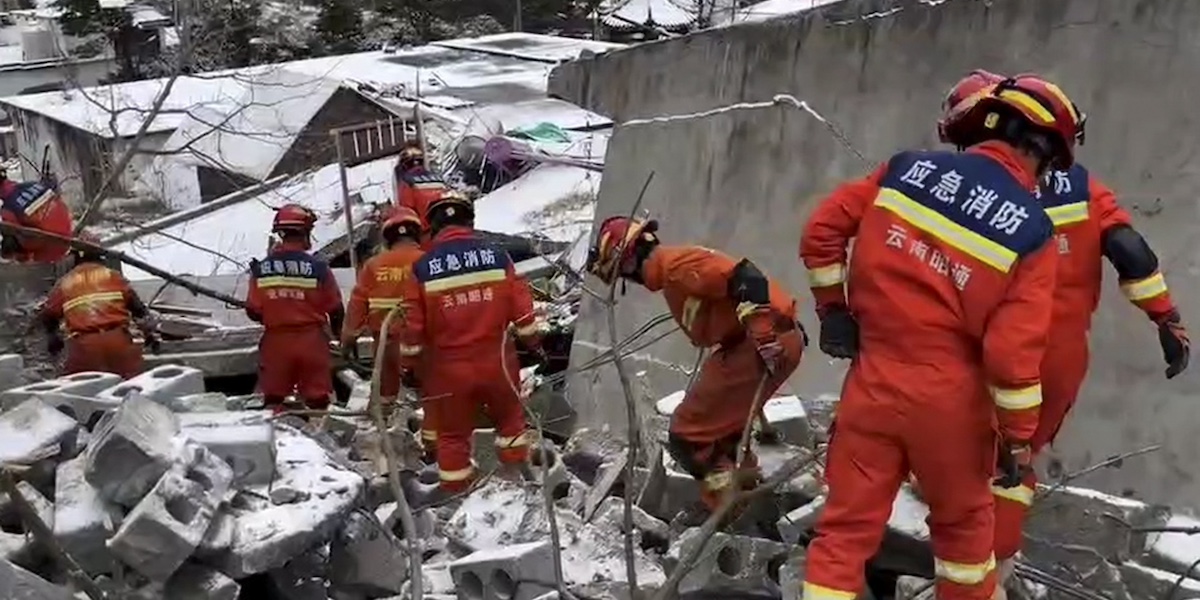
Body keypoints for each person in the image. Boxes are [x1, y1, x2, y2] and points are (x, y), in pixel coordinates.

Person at [798, 74, 1082, 600]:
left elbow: (822, 231)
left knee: (842, 535)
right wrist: (1016, 440)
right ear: (1041, 152)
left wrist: (834, 311)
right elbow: (1010, 356)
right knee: (965, 547)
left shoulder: (905, 170)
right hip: (953, 410)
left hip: (872, 387)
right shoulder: (1033, 231)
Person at [938, 70, 1191, 593]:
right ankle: (997, 566)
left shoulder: (974, 184)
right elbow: (1130, 252)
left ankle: (960, 566)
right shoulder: (1082, 185)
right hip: (1060, 360)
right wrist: (1166, 318)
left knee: (961, 456)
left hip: (990, 350)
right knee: (1017, 465)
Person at [585, 216, 805, 515]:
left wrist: (763, 334)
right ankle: (754, 506)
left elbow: (746, 277)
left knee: (688, 437)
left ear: (627, 262)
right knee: (724, 436)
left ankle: (728, 511)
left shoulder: (677, 267)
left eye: (621, 273)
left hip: (759, 342)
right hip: (763, 341)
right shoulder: (673, 272)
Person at [399, 190, 545, 493]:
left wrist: (409, 366)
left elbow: (413, 327)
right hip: (498, 363)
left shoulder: (423, 269)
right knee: (511, 423)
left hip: (449, 371)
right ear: (470, 220)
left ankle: (457, 498)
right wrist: (535, 346)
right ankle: (520, 487)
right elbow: (523, 311)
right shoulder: (496, 256)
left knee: (452, 436)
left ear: (434, 226)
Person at [340, 206, 436, 451]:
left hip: (385, 346)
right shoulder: (429, 262)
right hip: (424, 346)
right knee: (432, 397)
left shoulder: (373, 266)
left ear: (388, 236)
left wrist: (348, 339)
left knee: (386, 399)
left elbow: (357, 304)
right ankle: (431, 447)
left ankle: (386, 445)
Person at [245, 203, 345, 415]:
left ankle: (278, 441)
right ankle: (322, 442)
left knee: (274, 400)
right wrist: (340, 338)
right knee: (318, 402)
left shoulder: (261, 269)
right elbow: (336, 309)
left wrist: (278, 310)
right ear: (305, 232)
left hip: (276, 343)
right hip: (312, 343)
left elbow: (253, 311)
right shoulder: (318, 268)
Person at [40, 233, 157, 379]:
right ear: (100, 254)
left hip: (84, 347)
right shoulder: (113, 276)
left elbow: (48, 315)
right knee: (130, 390)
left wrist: (53, 337)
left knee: (82, 393)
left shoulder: (65, 283)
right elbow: (139, 311)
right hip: (118, 342)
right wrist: (150, 335)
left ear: (76, 256)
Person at [0, 170, 74, 263]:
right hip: (67, 234)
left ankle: (22, 266)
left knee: (9, 236)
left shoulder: (7, 209)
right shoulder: (33, 184)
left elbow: (16, 235)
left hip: (50, 251)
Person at [394, 143, 448, 248]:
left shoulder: (407, 182)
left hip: (426, 237)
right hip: (445, 231)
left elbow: (407, 213)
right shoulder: (438, 179)